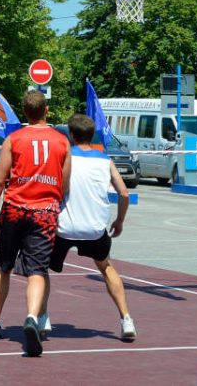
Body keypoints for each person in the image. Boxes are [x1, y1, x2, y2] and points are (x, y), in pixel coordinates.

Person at [0, 91, 69, 356]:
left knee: (3, 267)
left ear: (24, 112)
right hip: (44, 212)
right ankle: (32, 317)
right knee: (37, 270)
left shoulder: (14, 139)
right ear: (46, 110)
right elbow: (65, 183)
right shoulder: (61, 141)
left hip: (14, 210)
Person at [42, 114, 136, 343]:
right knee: (107, 268)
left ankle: (42, 316)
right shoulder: (105, 160)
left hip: (64, 228)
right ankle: (126, 319)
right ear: (91, 135)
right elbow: (124, 193)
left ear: (71, 136)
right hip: (94, 229)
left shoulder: (64, 157)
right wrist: (119, 220)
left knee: (41, 269)